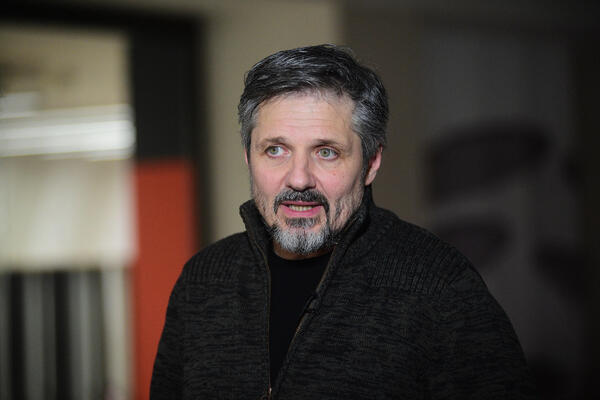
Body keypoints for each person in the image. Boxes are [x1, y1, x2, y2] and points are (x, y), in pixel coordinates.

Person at [150, 44, 535, 399]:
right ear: (249, 157)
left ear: (371, 163)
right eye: (276, 150)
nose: (299, 179)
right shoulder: (203, 280)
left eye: (327, 152)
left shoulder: (439, 285)